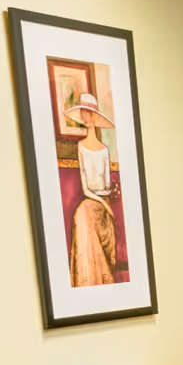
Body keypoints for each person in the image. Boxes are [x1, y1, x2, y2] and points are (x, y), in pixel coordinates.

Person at [65, 90, 118, 287]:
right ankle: (87, 279)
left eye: (89, 113)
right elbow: (86, 187)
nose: (86, 117)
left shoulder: (104, 150)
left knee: (84, 214)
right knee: (81, 214)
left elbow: (105, 185)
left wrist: (106, 203)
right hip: (90, 201)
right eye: (84, 113)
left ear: (95, 116)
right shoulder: (81, 147)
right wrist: (99, 200)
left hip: (103, 204)